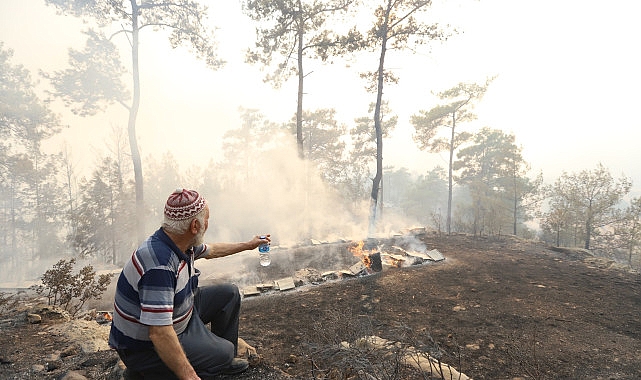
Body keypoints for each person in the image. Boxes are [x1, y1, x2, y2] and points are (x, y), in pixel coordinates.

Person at [108, 188, 270, 379]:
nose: (208, 224)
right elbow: (159, 333)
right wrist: (189, 376)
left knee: (229, 294)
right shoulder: (160, 265)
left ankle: (221, 361)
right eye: (206, 219)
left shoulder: (179, 242)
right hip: (144, 347)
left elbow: (213, 250)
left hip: (181, 313)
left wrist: (248, 245)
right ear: (195, 225)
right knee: (224, 352)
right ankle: (143, 372)